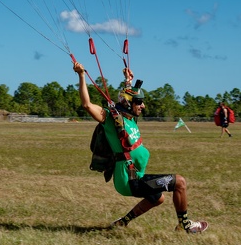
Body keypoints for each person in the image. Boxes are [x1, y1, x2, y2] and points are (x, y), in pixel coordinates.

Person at [75, 61, 208, 234]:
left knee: (157, 198)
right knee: (180, 182)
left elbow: (126, 97)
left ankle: (122, 223)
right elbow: (87, 105)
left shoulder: (129, 118)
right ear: (129, 104)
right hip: (129, 180)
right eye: (139, 102)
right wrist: (81, 75)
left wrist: (128, 80)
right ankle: (185, 225)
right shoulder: (109, 118)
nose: (143, 106)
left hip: (136, 175)